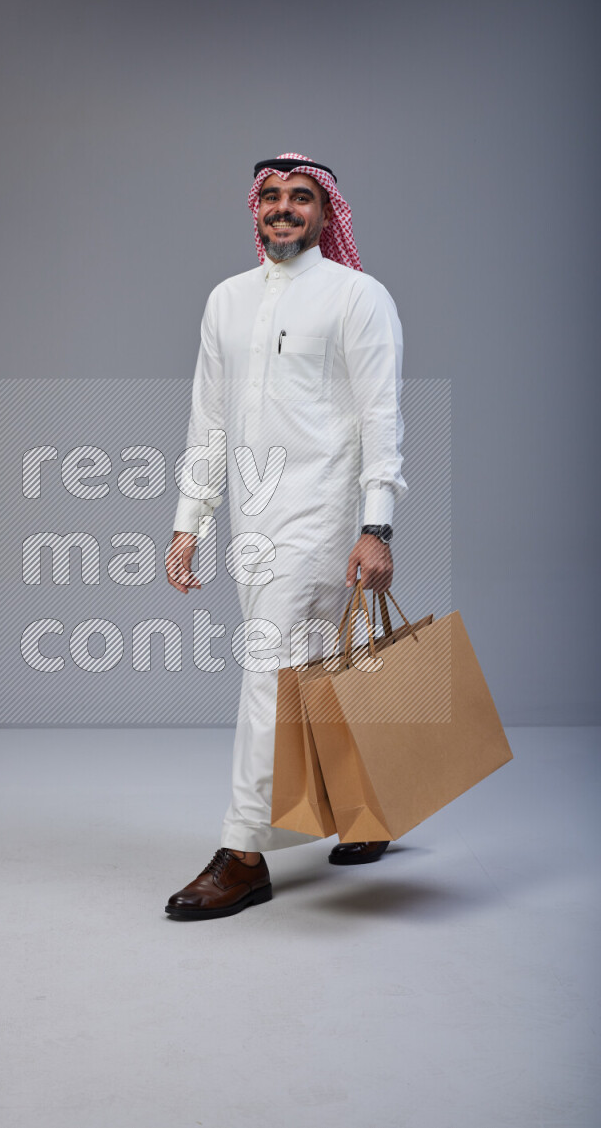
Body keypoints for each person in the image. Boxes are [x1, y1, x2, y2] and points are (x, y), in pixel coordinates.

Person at [164, 153, 407, 920]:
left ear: (326, 213)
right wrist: (189, 521)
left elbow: (380, 416)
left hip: (325, 515)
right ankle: (367, 815)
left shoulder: (357, 296)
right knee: (314, 671)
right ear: (255, 209)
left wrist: (376, 525)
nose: (283, 208)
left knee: (271, 668)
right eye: (271, 196)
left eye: (301, 197)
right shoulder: (227, 301)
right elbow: (207, 418)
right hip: (253, 520)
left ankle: (243, 854)